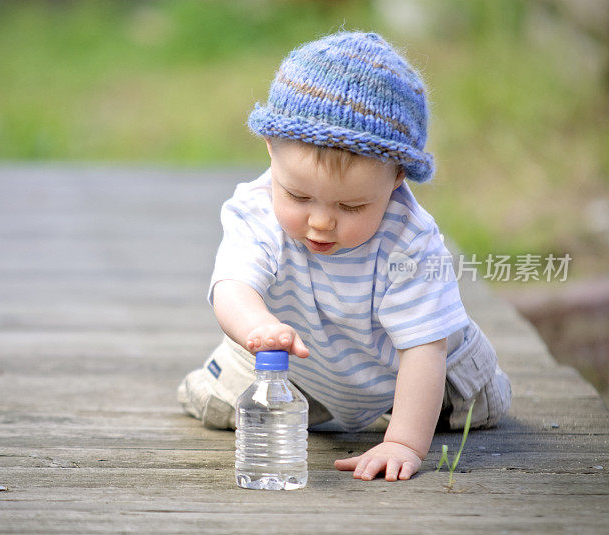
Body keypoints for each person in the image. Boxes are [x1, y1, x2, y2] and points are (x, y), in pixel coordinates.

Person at [177, 31, 511, 482]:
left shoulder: (409, 241)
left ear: (395, 179)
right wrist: (258, 327)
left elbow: (423, 351)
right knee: (221, 405)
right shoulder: (255, 210)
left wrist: (402, 442)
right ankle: (266, 387)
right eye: (298, 195)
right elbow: (233, 286)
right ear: (271, 149)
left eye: (351, 207)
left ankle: (440, 405)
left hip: (415, 370)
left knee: (476, 409)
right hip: (300, 366)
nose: (320, 222)